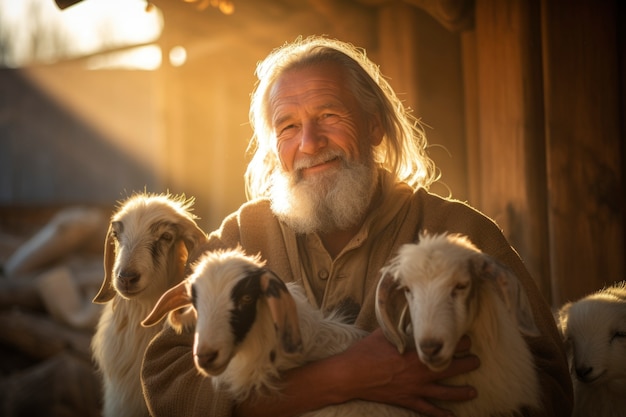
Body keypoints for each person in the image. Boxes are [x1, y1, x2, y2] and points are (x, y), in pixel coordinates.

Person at [141, 35, 573, 417]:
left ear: (374, 126)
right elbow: (167, 383)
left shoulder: (458, 232)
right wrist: (340, 378)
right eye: (288, 126)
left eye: (330, 115)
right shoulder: (243, 236)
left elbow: (550, 386)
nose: (310, 143)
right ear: (274, 150)